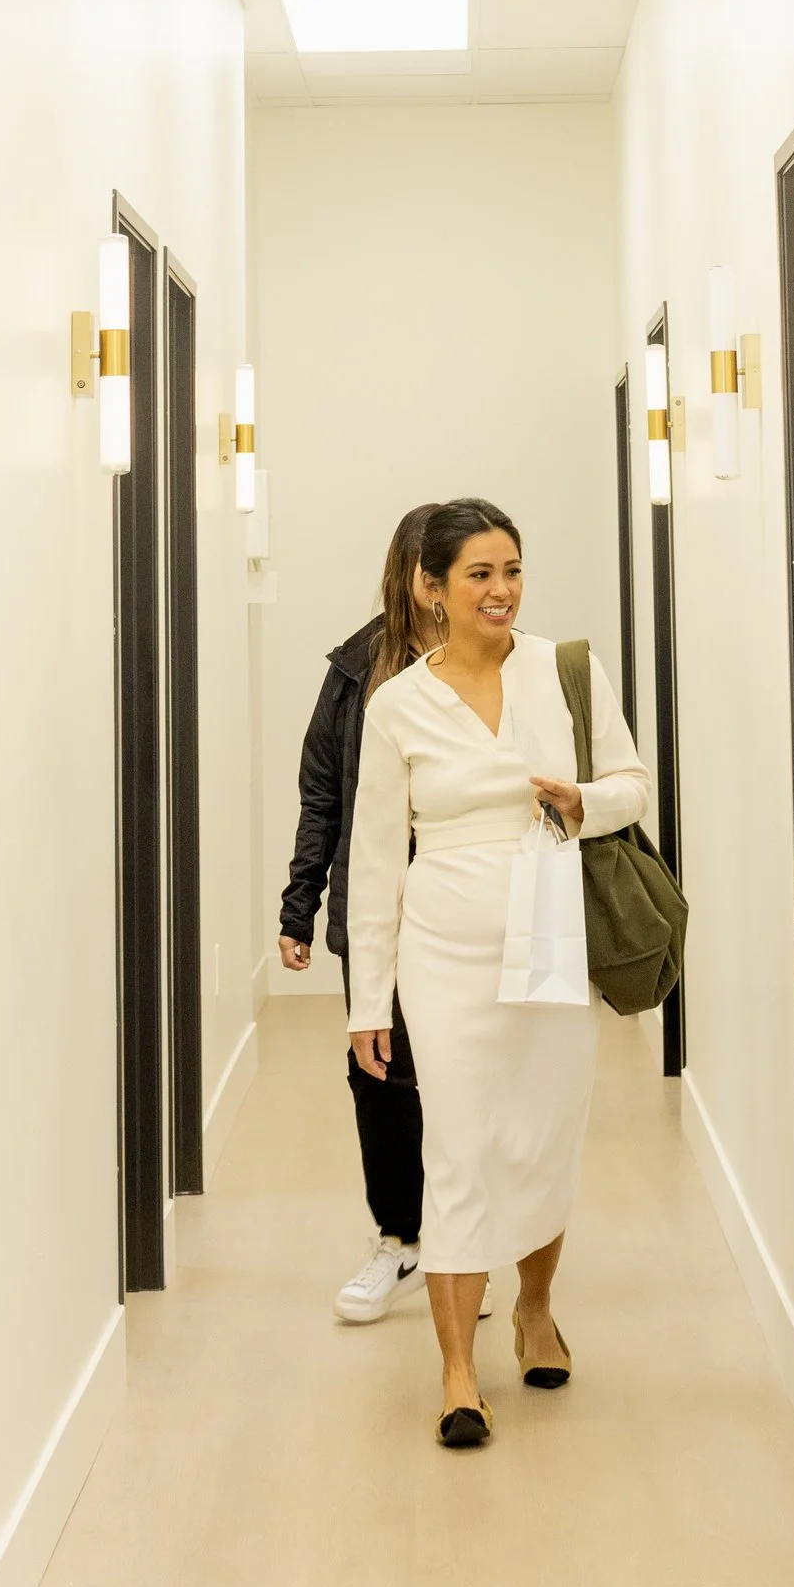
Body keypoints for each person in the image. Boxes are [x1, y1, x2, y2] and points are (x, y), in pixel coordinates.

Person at [345, 499, 649, 1448]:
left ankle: (535, 1308)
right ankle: (456, 1374)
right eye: (479, 574)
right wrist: (368, 1001)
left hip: (552, 934)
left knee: (542, 1134)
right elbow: (373, 862)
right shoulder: (397, 705)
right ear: (432, 588)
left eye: (512, 569)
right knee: (459, 1144)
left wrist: (584, 800)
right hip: (444, 951)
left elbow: (634, 786)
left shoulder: (566, 671)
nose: (501, 590)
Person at [277, 504, 445, 1323]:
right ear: (409, 575)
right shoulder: (356, 670)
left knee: (463, 1076)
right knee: (380, 1071)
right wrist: (299, 906)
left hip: (466, 911)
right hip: (374, 910)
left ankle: (460, 1246)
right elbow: (322, 794)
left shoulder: (501, 666)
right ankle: (401, 1240)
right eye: (434, 571)